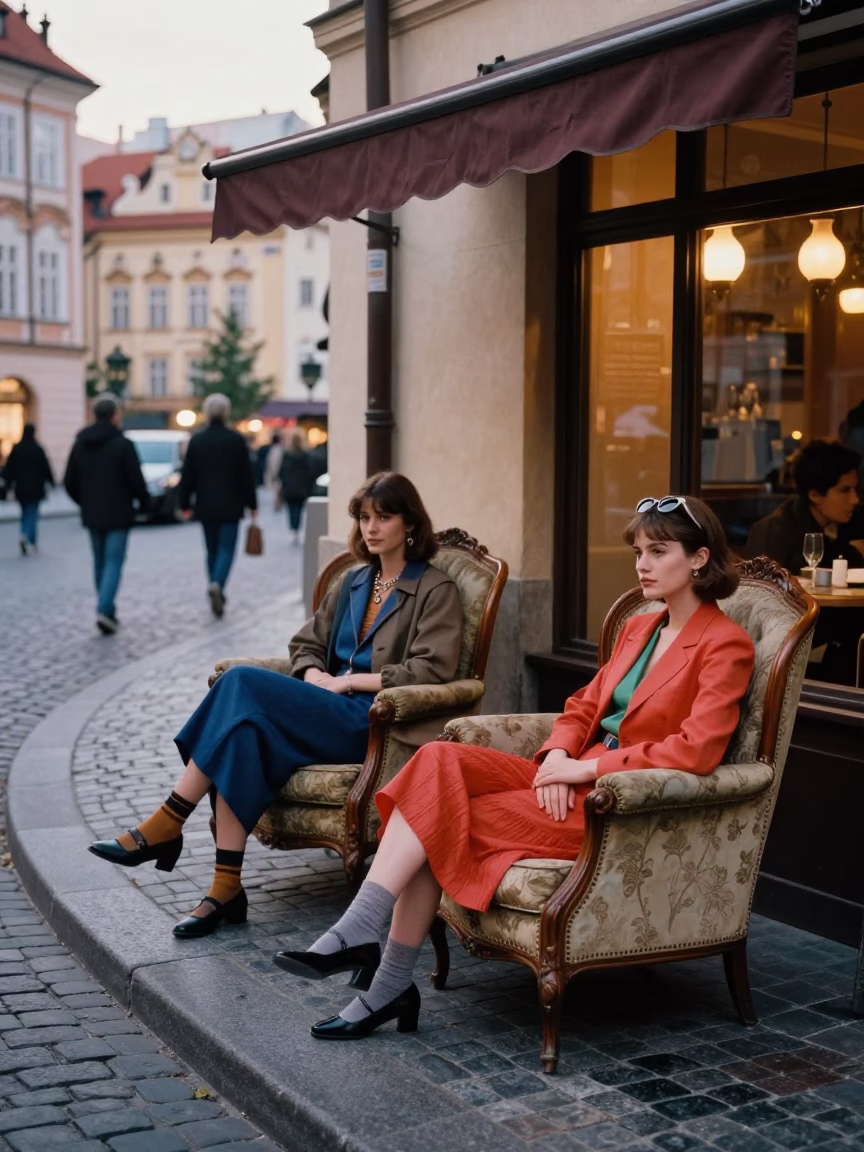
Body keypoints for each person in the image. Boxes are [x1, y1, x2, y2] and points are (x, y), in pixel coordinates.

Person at [273, 495, 755, 1040]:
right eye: (639, 551)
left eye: (658, 551)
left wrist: (585, 773)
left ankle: (382, 977)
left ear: (699, 559)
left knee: (431, 816)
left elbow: (696, 750)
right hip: (570, 771)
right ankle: (365, 936)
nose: (641, 564)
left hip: (618, 801)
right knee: (437, 758)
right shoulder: (640, 628)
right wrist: (556, 755)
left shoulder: (726, 644)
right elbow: (580, 707)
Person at [88, 471, 464, 941]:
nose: (371, 528)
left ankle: (168, 820)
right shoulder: (351, 582)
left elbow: (433, 670)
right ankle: (224, 888)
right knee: (241, 735)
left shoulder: (434, 588)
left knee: (241, 679)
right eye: (365, 517)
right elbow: (305, 645)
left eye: (383, 518)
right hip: (325, 707)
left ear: (410, 523)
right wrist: (313, 677)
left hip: (374, 721)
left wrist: (346, 682)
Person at [64, 394, 149, 635]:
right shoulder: (123, 443)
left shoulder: (80, 443)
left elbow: (70, 480)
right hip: (119, 512)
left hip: (92, 512)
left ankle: (108, 609)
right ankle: (104, 608)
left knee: (100, 562)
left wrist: (85, 501)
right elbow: (136, 480)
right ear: (114, 415)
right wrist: (142, 503)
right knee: (113, 562)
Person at [177, 394, 258, 618]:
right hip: (231, 505)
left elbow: (188, 475)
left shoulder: (197, 440)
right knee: (226, 549)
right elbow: (246, 476)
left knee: (211, 549)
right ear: (226, 412)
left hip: (205, 504)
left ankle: (214, 581)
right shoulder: (236, 440)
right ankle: (218, 584)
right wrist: (252, 503)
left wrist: (184, 503)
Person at [743, 438, 864, 575]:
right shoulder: (776, 532)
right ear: (814, 495)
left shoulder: (851, 522)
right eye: (845, 490)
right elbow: (758, 590)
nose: (855, 499)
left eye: (856, 489)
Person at [3, 423, 54, 555]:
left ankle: (29, 539)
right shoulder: (37, 449)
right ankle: (27, 536)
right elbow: (46, 467)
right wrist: (51, 481)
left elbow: (9, 469)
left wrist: (7, 485)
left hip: (20, 488)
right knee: (32, 514)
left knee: (25, 513)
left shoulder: (17, 449)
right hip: (36, 488)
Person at [279, 433, 313, 544]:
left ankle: (293, 530)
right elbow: (310, 472)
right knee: (298, 509)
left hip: (290, 488)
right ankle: (296, 529)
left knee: (291, 510)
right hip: (302, 488)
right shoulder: (305, 455)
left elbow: (282, 471)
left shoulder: (287, 455)